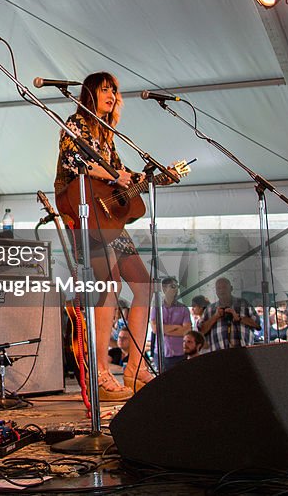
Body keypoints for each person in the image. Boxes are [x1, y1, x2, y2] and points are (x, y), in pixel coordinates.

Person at [54, 72, 181, 400]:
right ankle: (98, 371)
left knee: (144, 286)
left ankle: (135, 367)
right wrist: (117, 175)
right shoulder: (77, 124)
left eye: (114, 90)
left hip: (109, 219)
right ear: (89, 94)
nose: (111, 95)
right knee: (108, 286)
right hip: (83, 209)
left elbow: (123, 176)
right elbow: (76, 162)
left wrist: (154, 178)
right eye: (104, 89)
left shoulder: (107, 134)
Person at [198, 277, 259, 350]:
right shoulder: (209, 309)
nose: (221, 291)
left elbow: (257, 324)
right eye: (218, 288)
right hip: (218, 355)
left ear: (231, 288)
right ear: (216, 291)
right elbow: (201, 331)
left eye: (224, 287)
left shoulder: (244, 304)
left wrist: (238, 318)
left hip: (244, 353)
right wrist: (215, 317)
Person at [151, 277, 192, 371]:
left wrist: (163, 330)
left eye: (177, 287)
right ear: (164, 289)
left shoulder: (183, 308)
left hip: (180, 354)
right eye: (173, 286)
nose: (176, 289)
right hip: (161, 354)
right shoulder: (157, 308)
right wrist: (177, 327)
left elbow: (186, 331)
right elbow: (155, 329)